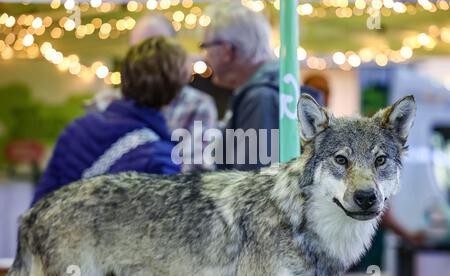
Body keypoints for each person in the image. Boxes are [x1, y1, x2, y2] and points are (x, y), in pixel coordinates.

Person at [31, 37, 187, 206]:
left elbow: (39, 205)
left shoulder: (76, 128)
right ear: (176, 90)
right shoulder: (161, 157)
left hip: (59, 230)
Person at [87, 14, 218, 172]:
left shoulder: (198, 105)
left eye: (158, 49)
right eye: (140, 49)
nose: (148, 60)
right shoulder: (105, 103)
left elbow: (198, 171)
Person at [202, 3, 324, 171]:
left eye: (206, 47)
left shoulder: (260, 99)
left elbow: (251, 185)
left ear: (226, 50)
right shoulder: (277, 92)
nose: (205, 57)